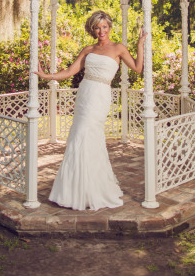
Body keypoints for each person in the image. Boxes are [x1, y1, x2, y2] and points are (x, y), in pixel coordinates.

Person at [34, 11, 147, 211]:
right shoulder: (88, 49)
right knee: (78, 137)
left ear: (109, 27)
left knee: (89, 136)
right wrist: (45, 75)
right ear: (92, 29)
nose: (101, 31)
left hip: (101, 95)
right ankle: (74, 190)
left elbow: (138, 69)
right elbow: (70, 71)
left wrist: (140, 45)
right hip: (85, 94)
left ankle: (95, 189)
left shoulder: (118, 48)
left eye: (104, 27)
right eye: (97, 27)